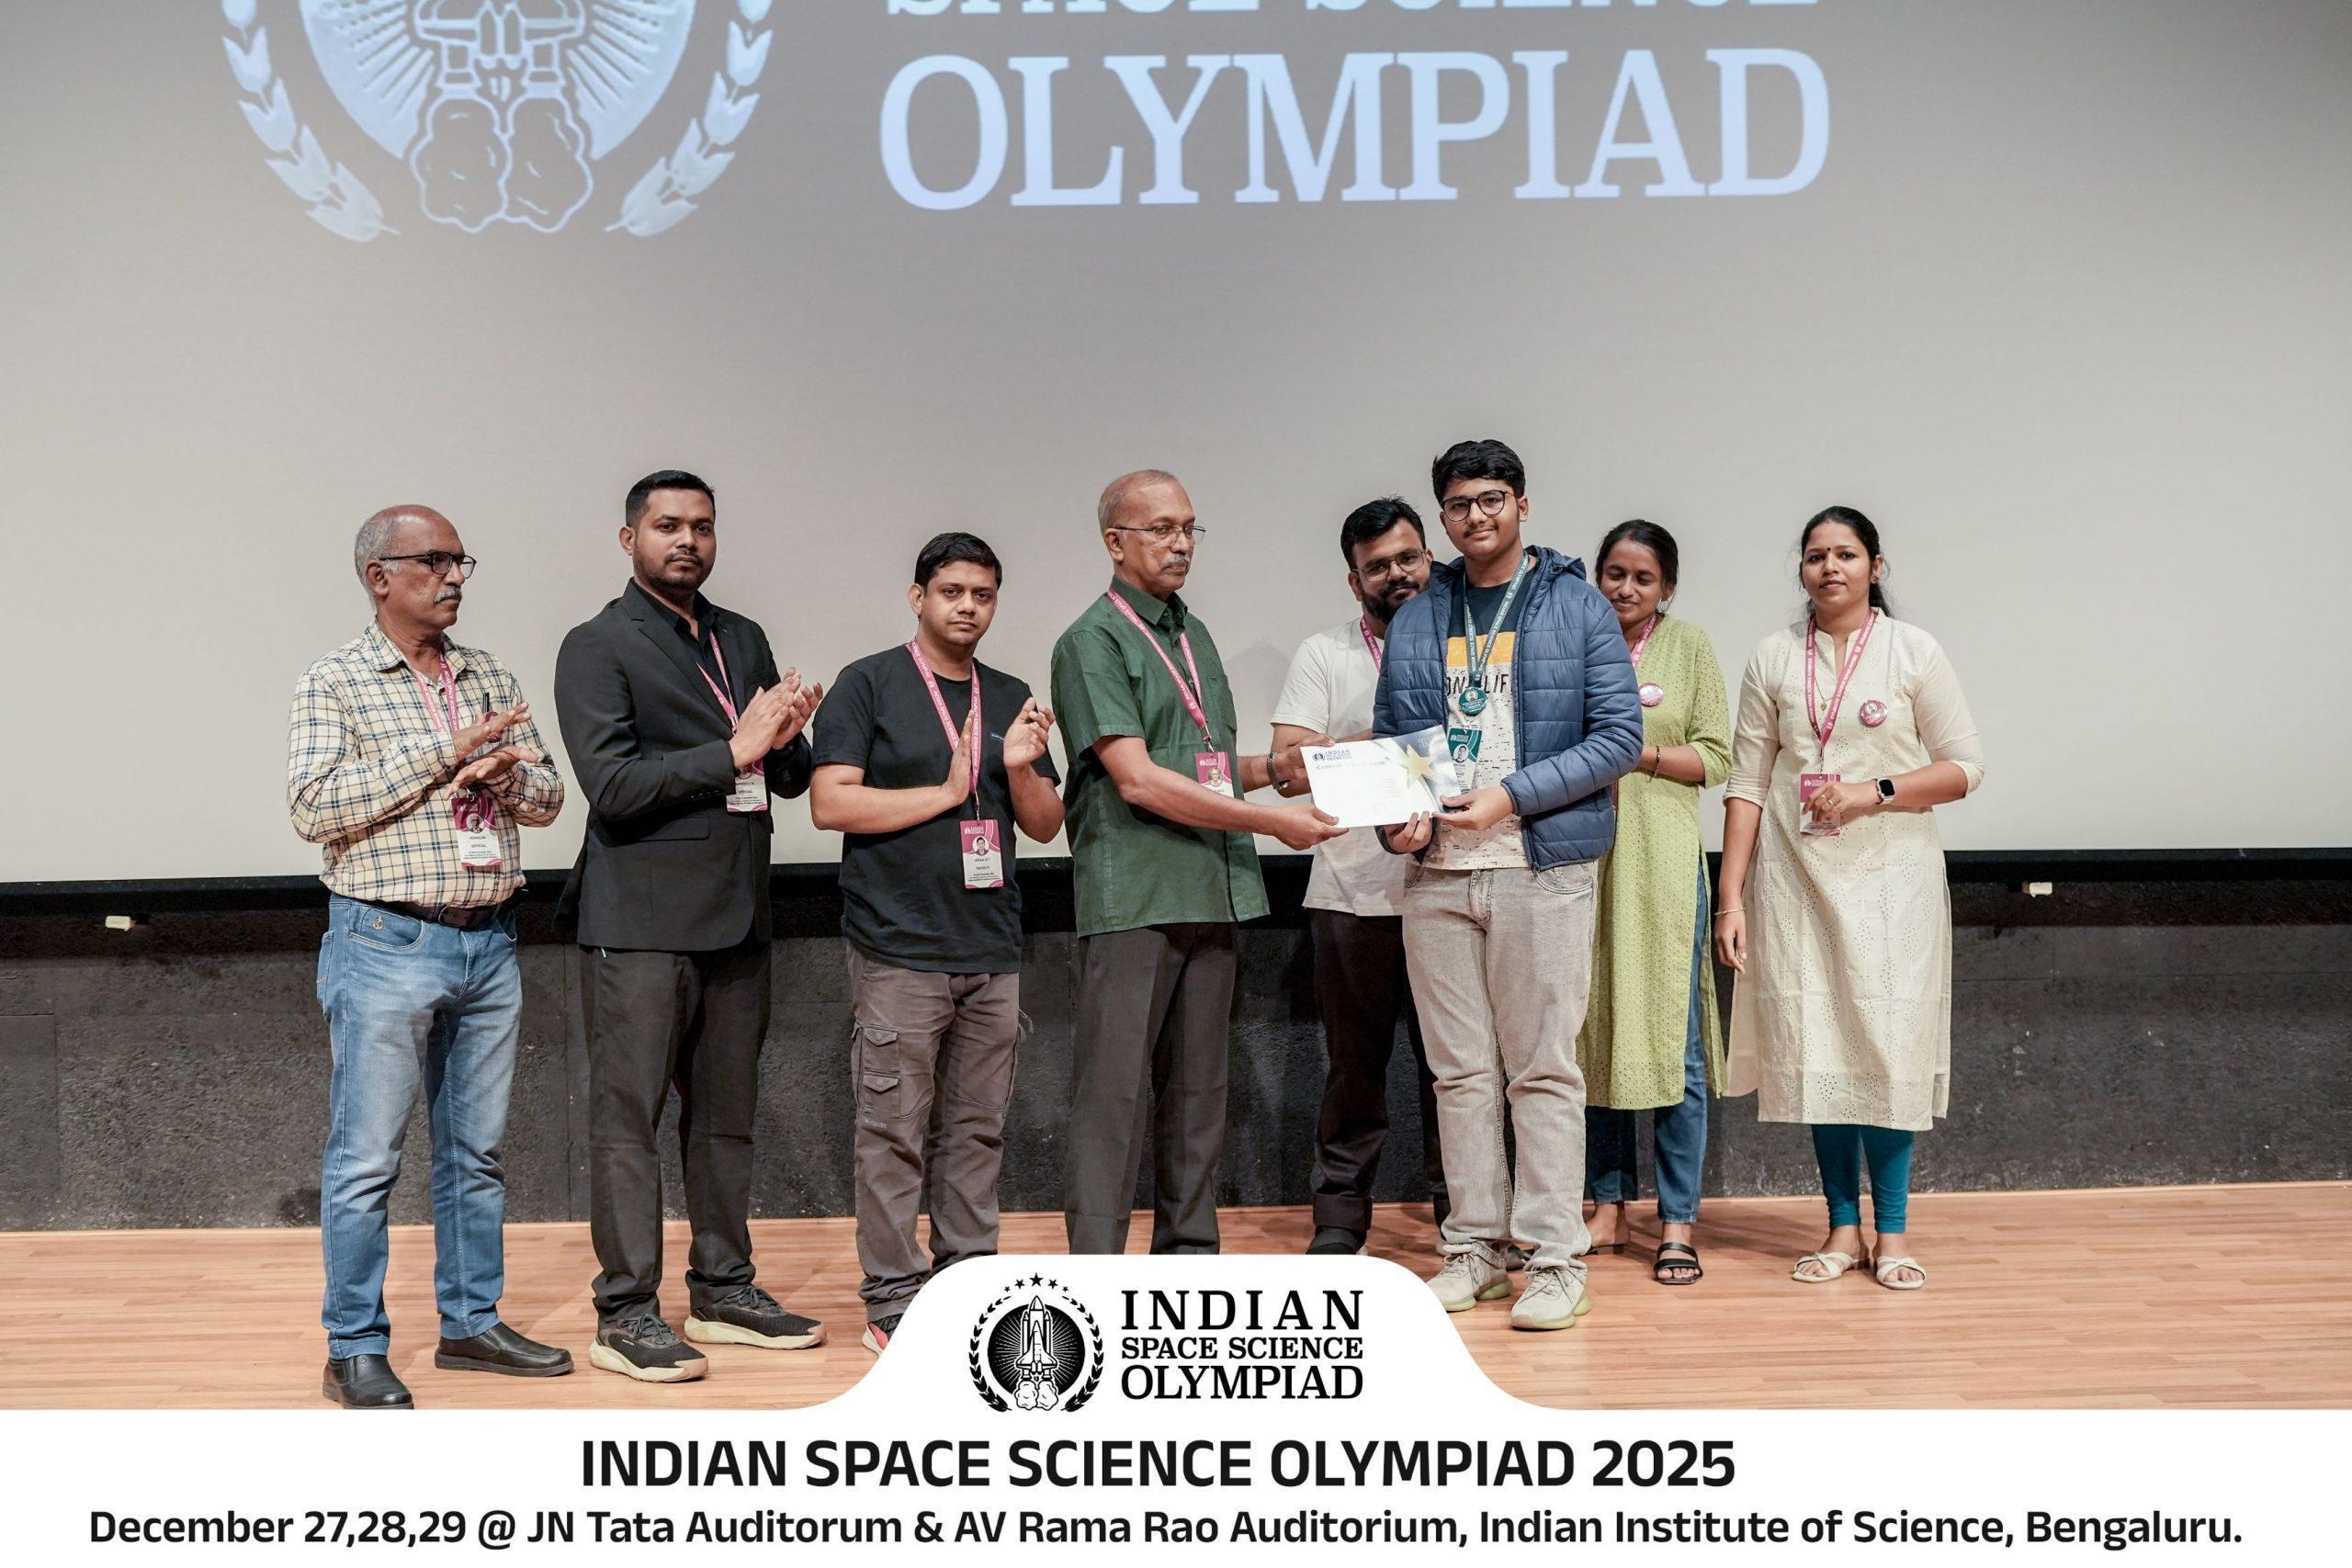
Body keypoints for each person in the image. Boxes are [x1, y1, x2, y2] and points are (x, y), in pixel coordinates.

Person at [289, 505, 571, 1408]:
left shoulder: (489, 674)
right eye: (434, 561)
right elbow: (314, 807)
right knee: (367, 1157)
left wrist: (504, 773)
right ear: (380, 576)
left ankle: (471, 1323)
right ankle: (354, 1348)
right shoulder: (335, 680)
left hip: (489, 938)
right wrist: (442, 754)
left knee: (475, 1153)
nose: (454, 577)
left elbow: (550, 797)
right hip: (386, 939)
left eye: (460, 562)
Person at [552, 469, 826, 1382]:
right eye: (667, 525)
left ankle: (723, 1287)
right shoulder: (596, 645)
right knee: (628, 1124)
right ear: (628, 537)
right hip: (640, 922)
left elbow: (785, 777)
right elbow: (613, 786)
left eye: (702, 527)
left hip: (738, 915)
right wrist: (735, 748)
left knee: (725, 1122)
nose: (687, 541)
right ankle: (627, 1311)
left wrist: (787, 736)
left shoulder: (741, 636)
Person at [1375, 439, 1643, 1330]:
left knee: (1542, 1072)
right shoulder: (1420, 614)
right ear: (1442, 518)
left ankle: (1555, 1260)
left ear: (1522, 504)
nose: (1475, 516)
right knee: (1457, 1075)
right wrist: (1396, 820)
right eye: (1458, 504)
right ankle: (1475, 1250)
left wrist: (1511, 797)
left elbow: (1619, 739)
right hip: (1438, 876)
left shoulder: (1576, 605)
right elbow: (1394, 746)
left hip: (1541, 868)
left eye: (1491, 499)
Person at [1050, 468, 1344, 1255]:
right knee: (1113, 1097)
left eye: (1188, 527)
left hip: (1213, 890)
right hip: (1137, 898)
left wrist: (1278, 769)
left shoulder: (1193, 633)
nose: (1181, 543)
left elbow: (1200, 766)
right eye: (1161, 529)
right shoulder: (1091, 640)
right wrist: (1272, 821)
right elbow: (1139, 780)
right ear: (1115, 542)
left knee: (1199, 1094)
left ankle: (1187, 1257)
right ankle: (1096, 1273)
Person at [1716, 506, 1985, 1292]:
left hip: (1892, 880)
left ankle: (1892, 1232)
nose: (1829, 567)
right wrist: (1730, 897)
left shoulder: (1913, 651)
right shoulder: (1774, 655)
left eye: (1845, 554)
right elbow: (1746, 782)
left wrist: (1876, 790)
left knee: (1887, 1049)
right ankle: (1841, 1226)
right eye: (1815, 556)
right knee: (1818, 1050)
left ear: (1875, 566)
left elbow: (1965, 766)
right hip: (1795, 879)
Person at [808, 532, 1063, 1354]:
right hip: (898, 945)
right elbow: (830, 803)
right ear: (918, 596)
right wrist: (946, 792)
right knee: (892, 1132)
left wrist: (1017, 767)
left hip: (991, 947)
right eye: (951, 591)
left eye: (982, 595)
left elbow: (1046, 823)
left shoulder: (1011, 694)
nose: (967, 607)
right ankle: (892, 1296)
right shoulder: (868, 682)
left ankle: (967, 1281)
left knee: (978, 1130)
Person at [1269, 497, 1447, 1257]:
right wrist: (1399, 740)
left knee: (1458, 1072)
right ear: (1355, 581)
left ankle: (1467, 1223)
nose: (1396, 574)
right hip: (1351, 894)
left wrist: (1357, 749)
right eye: (1377, 566)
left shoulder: (1467, 642)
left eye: (1408, 558)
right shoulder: (1326, 653)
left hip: (1453, 887)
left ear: (1429, 560)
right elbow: (1287, 767)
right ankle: (1340, 1222)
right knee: (1354, 1072)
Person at [1575, 521, 1732, 1286]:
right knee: (1590, 1035)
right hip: (1583, 860)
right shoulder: (1574, 642)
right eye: (1614, 572)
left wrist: (1635, 753)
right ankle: (1607, 1206)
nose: (1626, 588)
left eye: (1643, 577)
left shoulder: (1690, 647)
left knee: (1677, 1046)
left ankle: (1677, 1220)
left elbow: (1717, 755)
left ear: (1667, 587)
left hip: (1664, 867)